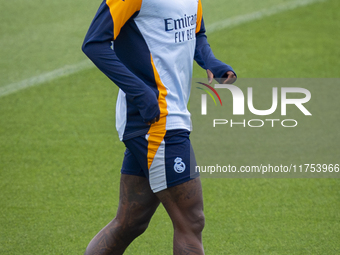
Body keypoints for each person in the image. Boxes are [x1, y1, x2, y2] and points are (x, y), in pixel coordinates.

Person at [82, 0, 236, 254]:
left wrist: (212, 62)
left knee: (131, 221)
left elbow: (196, 33)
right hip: (156, 120)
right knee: (191, 220)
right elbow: (94, 43)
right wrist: (140, 93)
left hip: (167, 116)